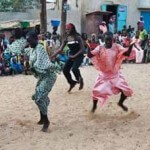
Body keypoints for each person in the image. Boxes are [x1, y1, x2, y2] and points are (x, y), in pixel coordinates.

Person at [87, 32, 135, 113]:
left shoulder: (117, 46)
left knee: (126, 91)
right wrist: (88, 47)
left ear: (113, 39)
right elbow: (90, 55)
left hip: (115, 75)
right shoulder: (100, 48)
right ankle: (94, 106)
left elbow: (126, 53)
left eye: (110, 39)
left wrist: (131, 45)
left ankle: (120, 103)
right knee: (96, 92)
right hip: (104, 76)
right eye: (106, 40)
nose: (108, 41)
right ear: (104, 39)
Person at [26, 31, 62, 132]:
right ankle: (42, 118)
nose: (29, 43)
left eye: (30, 41)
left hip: (49, 76)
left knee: (40, 98)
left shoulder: (40, 48)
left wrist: (31, 67)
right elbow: (25, 53)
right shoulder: (32, 49)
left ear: (36, 39)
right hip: (42, 77)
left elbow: (41, 64)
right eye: (28, 41)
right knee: (37, 96)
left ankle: (46, 121)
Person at [51, 23, 84, 92]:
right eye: (66, 29)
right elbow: (60, 49)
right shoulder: (66, 38)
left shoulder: (78, 37)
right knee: (65, 70)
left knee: (74, 69)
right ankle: (72, 83)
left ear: (72, 29)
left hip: (79, 55)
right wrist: (52, 56)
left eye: (68, 29)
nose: (67, 30)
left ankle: (80, 80)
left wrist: (75, 55)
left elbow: (82, 49)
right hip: (71, 55)